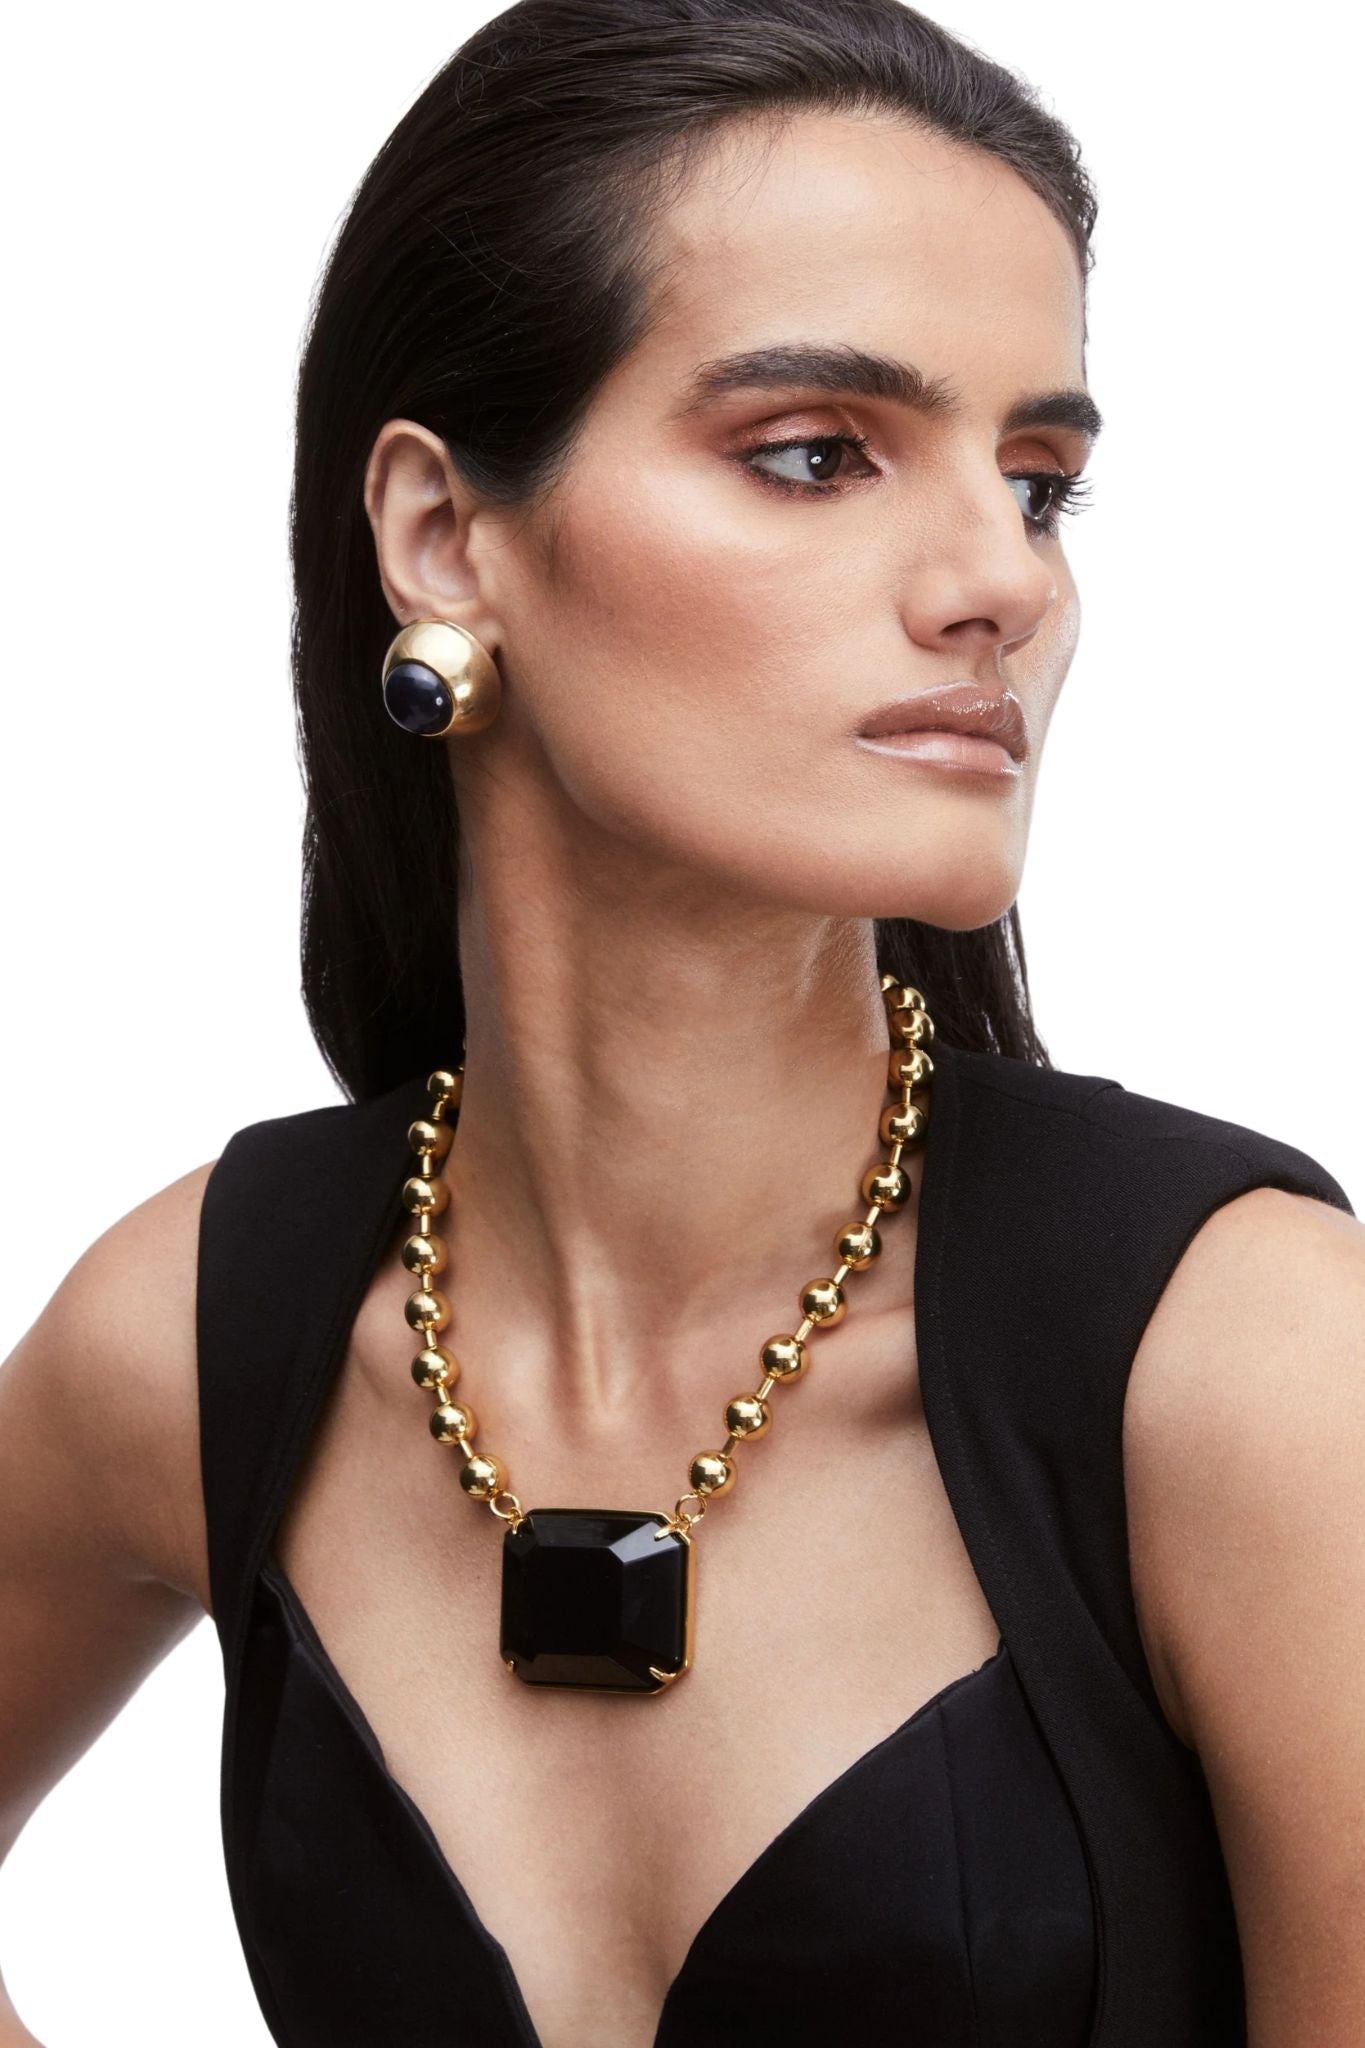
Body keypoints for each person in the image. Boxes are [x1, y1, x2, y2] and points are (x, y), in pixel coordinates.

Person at [2, 2, 1362, 2044]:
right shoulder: (205, 1332)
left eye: (1038, 483)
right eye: (816, 454)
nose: (998, 579)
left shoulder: (1247, 1366)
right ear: (444, 537)